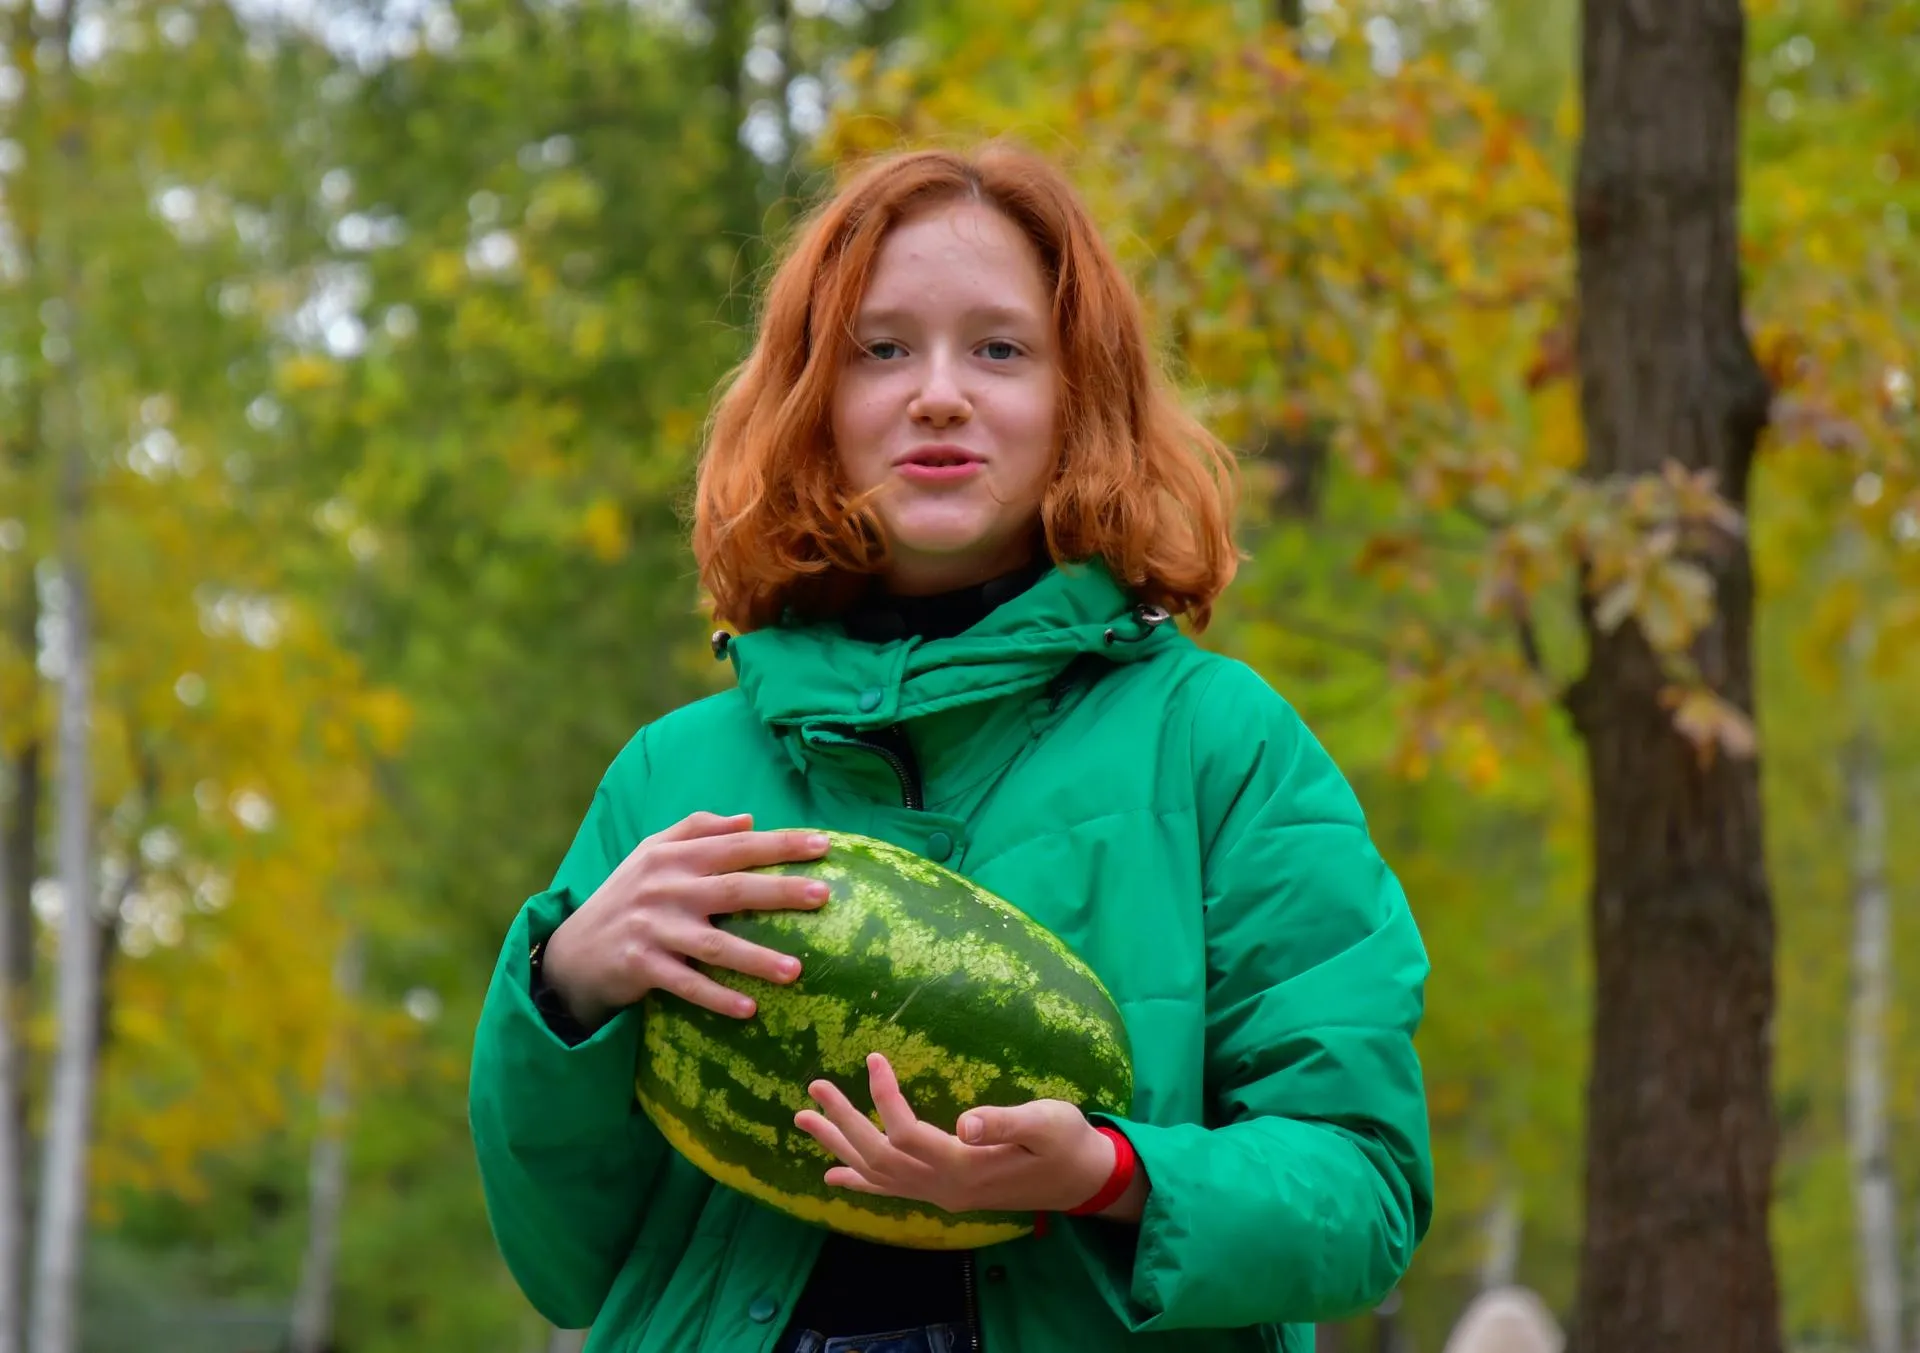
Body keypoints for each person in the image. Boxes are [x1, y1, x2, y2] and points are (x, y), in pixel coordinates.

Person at [468, 143, 1432, 1353]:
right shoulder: (671, 779)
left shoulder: (1220, 746)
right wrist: (565, 994)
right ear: (815, 398)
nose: (938, 394)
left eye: (1000, 349)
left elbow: (1366, 1192)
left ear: (1082, 398)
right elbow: (567, 1263)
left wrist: (1110, 1173)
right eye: (882, 350)